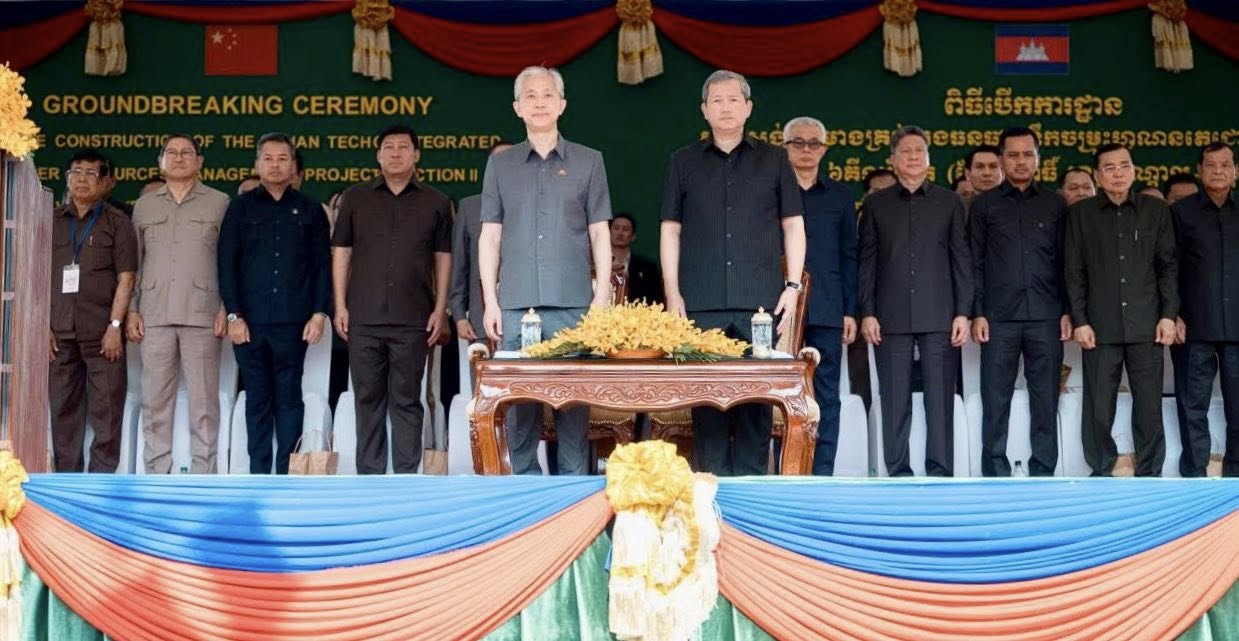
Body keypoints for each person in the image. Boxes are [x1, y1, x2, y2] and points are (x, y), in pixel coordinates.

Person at [661, 69, 805, 476]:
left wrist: (791, 287)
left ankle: (750, 505)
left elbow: (793, 225)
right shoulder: (683, 162)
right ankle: (710, 505)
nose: (725, 107)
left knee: (755, 411)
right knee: (706, 411)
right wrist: (673, 293)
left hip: (757, 304)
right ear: (704, 110)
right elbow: (670, 230)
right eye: (716, 101)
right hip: (701, 304)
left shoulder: (774, 160)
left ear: (748, 108)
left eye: (733, 99)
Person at [478, 66, 613, 475]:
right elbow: (489, 237)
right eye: (530, 96)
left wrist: (601, 295)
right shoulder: (501, 166)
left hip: (573, 304)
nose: (539, 102)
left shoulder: (590, 161)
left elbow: (600, 233)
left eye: (548, 95)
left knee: (573, 404)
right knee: (521, 407)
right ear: (518, 107)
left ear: (562, 104)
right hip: (517, 303)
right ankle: (525, 492)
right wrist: (490, 301)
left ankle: (572, 494)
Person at [332, 125, 453, 474]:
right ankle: (370, 478)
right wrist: (340, 305)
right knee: (367, 399)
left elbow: (442, 258)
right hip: (363, 317)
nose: (396, 153)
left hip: (414, 316)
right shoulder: (356, 197)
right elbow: (341, 252)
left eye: (403, 147)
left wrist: (439, 308)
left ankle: (405, 476)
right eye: (388, 147)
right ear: (378, 155)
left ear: (417, 155)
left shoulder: (436, 201)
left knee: (406, 400)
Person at [859, 126, 972, 477]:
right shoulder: (876, 204)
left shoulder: (949, 201)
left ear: (928, 159)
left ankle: (940, 472)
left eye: (919, 151)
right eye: (905, 151)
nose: (912, 157)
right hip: (889, 316)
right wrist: (867, 312)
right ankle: (898, 472)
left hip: (940, 313)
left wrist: (963, 312)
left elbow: (961, 260)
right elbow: (867, 262)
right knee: (895, 398)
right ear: (893, 160)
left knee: (940, 399)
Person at [218, 132, 331, 474]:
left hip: (294, 321)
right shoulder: (240, 207)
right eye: (268, 158)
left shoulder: (311, 209)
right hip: (249, 322)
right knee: (257, 399)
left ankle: (287, 472)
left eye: (282, 158)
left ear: (293, 165)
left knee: (289, 397)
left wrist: (319, 312)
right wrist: (234, 315)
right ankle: (258, 472)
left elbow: (321, 266)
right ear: (257, 164)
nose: (275, 165)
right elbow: (226, 264)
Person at [1065, 143, 1178, 477]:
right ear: (1098, 175)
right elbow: (1074, 272)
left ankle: (1150, 472)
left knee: (1148, 406)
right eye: (1110, 168)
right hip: (1099, 326)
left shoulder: (1156, 211)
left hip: (1147, 323)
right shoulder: (1080, 214)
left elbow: (1168, 267)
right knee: (1099, 406)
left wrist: (1169, 315)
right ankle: (1102, 468)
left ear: (1134, 170)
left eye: (1124, 166)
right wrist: (1080, 320)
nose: (1118, 173)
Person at [968, 126, 1070, 476]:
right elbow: (975, 263)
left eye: (1028, 154)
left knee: (1046, 398)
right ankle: (995, 471)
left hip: (1046, 315)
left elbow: (1066, 262)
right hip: (998, 317)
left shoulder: (1056, 204)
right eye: (1013, 155)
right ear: (1001, 160)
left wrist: (1068, 311)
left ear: (1039, 159)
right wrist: (977, 312)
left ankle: (1044, 471)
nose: (1021, 161)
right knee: (996, 399)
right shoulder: (983, 205)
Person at [128, 134, 229, 474]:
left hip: (202, 312)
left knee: (203, 402)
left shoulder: (220, 202)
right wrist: (131, 309)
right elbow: (135, 263)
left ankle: (204, 474)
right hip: (154, 313)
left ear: (200, 161)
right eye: (172, 152)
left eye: (187, 153)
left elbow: (230, 261)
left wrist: (225, 307)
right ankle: (157, 472)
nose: (180, 158)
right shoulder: (145, 205)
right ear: (161, 162)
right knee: (155, 400)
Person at [48, 149, 138, 472]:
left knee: (107, 412)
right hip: (59, 334)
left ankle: (100, 484)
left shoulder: (118, 223)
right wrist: (44, 326)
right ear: (67, 178)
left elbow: (127, 279)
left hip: (103, 335)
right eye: (76, 172)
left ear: (104, 182)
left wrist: (116, 325)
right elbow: (36, 274)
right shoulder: (51, 221)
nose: (82, 179)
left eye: (90, 173)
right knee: (63, 412)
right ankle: (68, 483)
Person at [783, 115, 857, 476]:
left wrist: (850, 310)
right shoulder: (773, 192)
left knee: (826, 394)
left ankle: (821, 474)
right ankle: (782, 471)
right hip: (781, 309)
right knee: (778, 392)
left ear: (824, 150)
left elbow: (849, 255)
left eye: (814, 143)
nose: (807, 150)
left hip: (828, 307)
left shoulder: (841, 196)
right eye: (798, 142)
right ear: (786, 148)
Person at [1172, 143, 1238, 477]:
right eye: (1211, 165)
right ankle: (1195, 474)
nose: (1218, 171)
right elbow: (1169, 268)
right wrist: (1174, 313)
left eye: (1225, 164)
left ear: (1235, 171)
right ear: (1200, 171)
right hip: (1194, 325)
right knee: (1192, 405)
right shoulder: (1182, 212)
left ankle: (1235, 477)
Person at [450, 142, 512, 343]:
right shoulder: (470, 207)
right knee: (481, 374)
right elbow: (460, 266)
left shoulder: (541, 205)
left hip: (531, 321)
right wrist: (459, 316)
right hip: (482, 319)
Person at [609, 213, 663, 305]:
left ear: (633, 236)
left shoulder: (648, 267)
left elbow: (656, 301)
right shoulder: (596, 264)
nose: (620, 233)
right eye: (616, 228)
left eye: (625, 229)